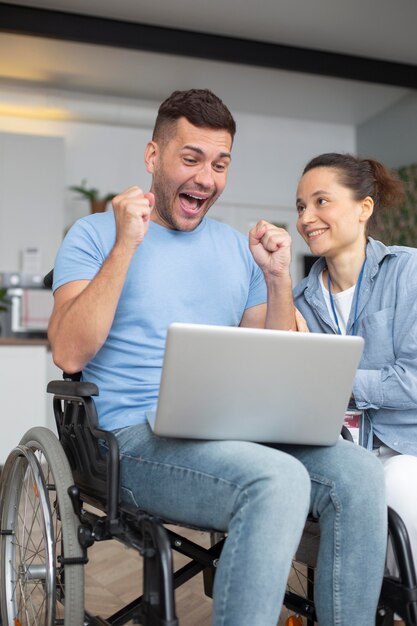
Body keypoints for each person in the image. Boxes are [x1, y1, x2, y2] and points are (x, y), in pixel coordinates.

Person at [49, 90, 387, 626]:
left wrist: (278, 277)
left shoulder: (236, 248)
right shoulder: (93, 236)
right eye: (191, 159)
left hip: (231, 433)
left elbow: (274, 362)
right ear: (153, 156)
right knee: (276, 479)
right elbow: (68, 350)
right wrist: (124, 245)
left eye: (220, 163)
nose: (206, 177)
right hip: (131, 441)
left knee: (360, 471)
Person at [294, 152, 417, 624]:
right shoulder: (299, 300)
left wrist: (333, 379)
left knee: (401, 482)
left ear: (364, 207)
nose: (307, 217)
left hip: (406, 446)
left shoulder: (407, 273)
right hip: (341, 454)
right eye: (301, 205)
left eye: (321, 201)